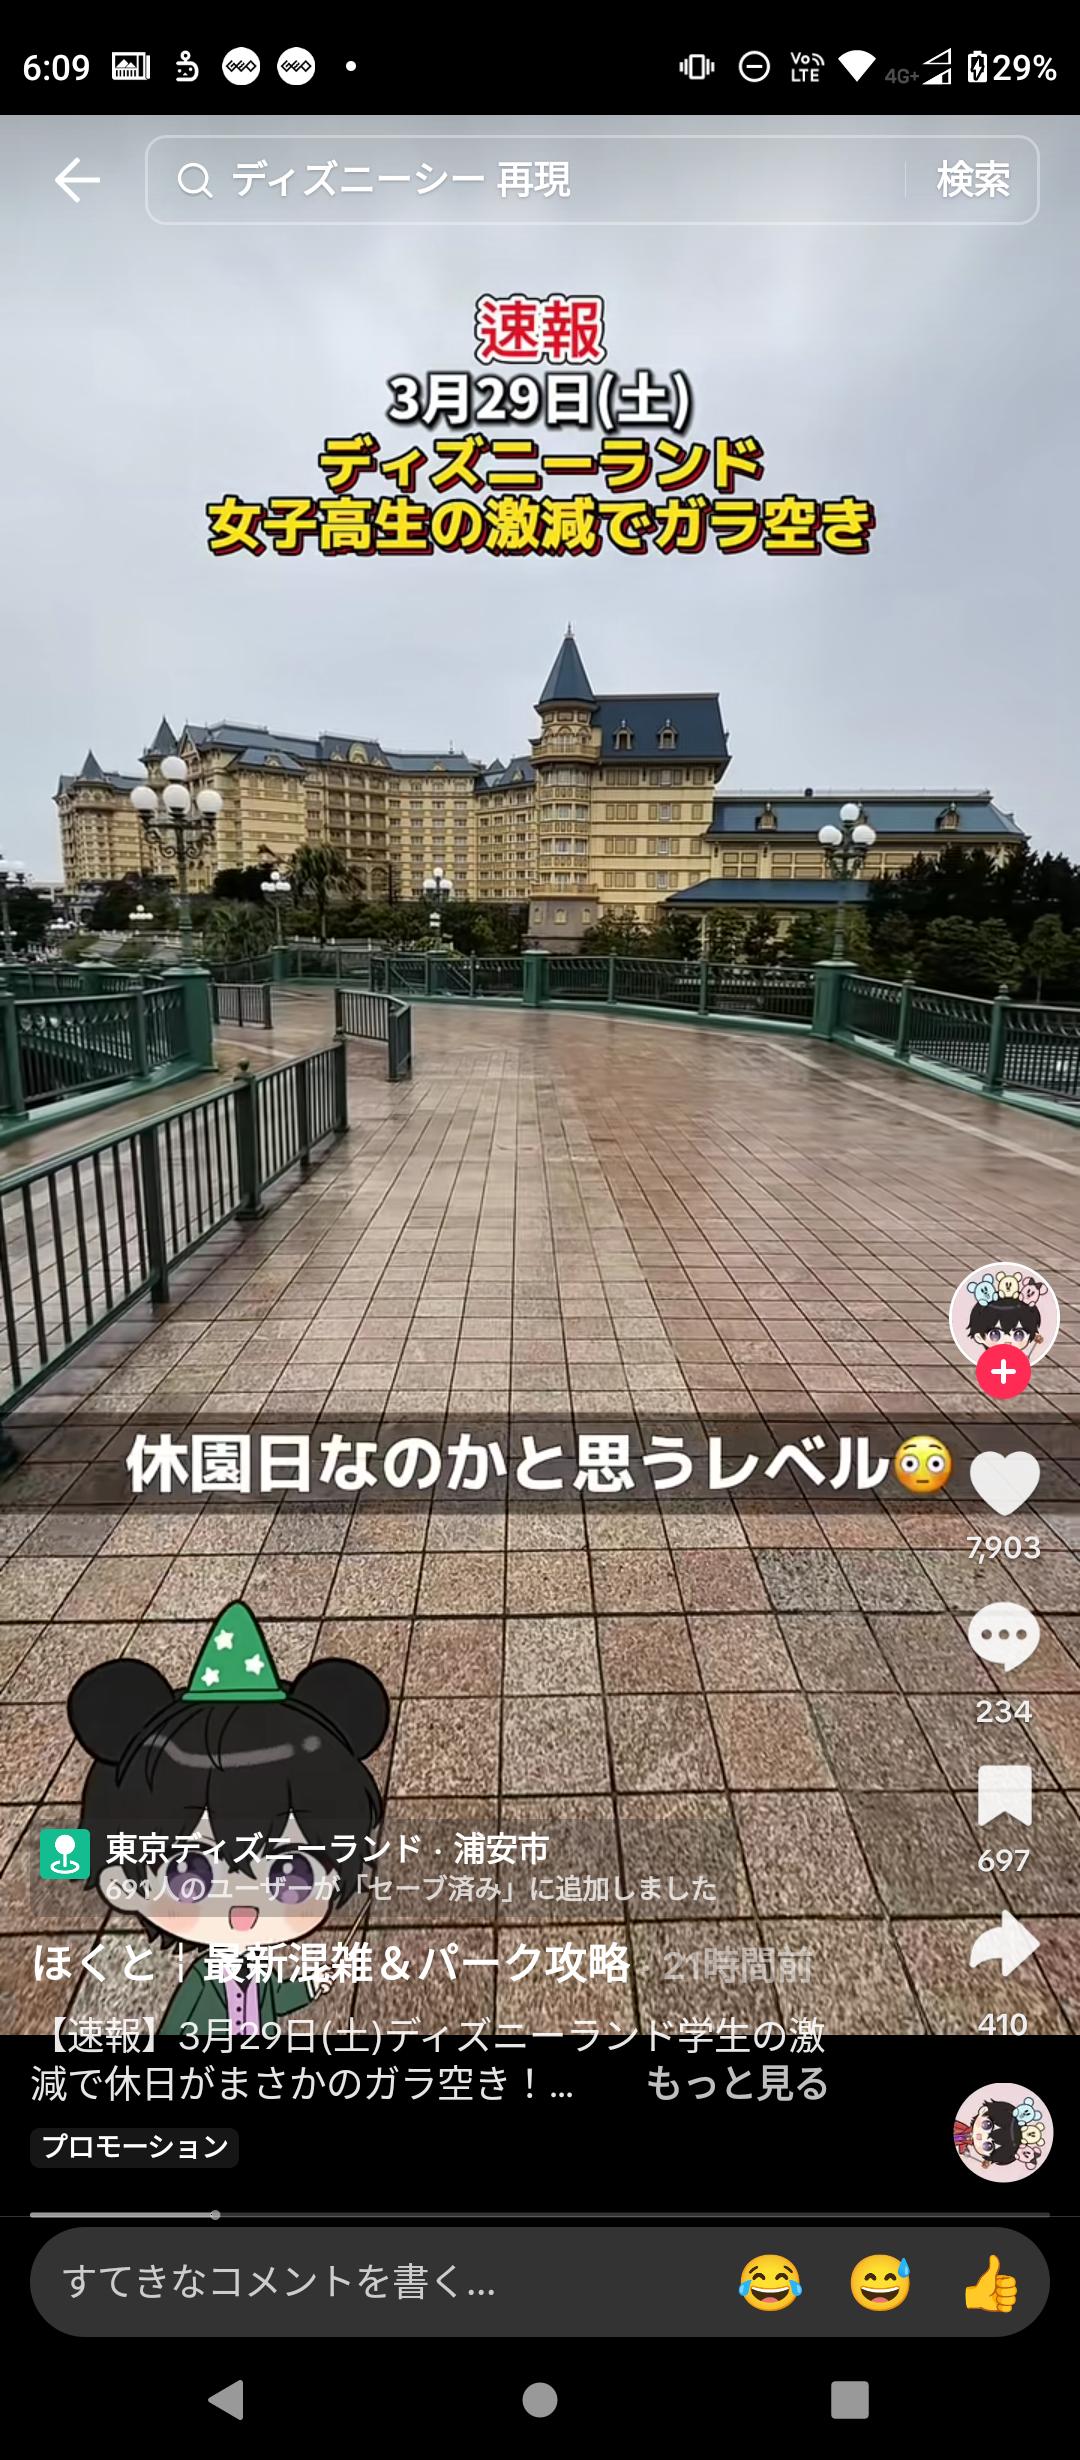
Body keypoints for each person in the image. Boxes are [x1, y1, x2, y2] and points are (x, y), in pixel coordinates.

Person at [69, 1602, 388, 2039]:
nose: (242, 1908)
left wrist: (313, 1985)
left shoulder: (257, 1970)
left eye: (290, 1873)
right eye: (189, 1874)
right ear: (123, 1883)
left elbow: (276, 1998)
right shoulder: (205, 1979)